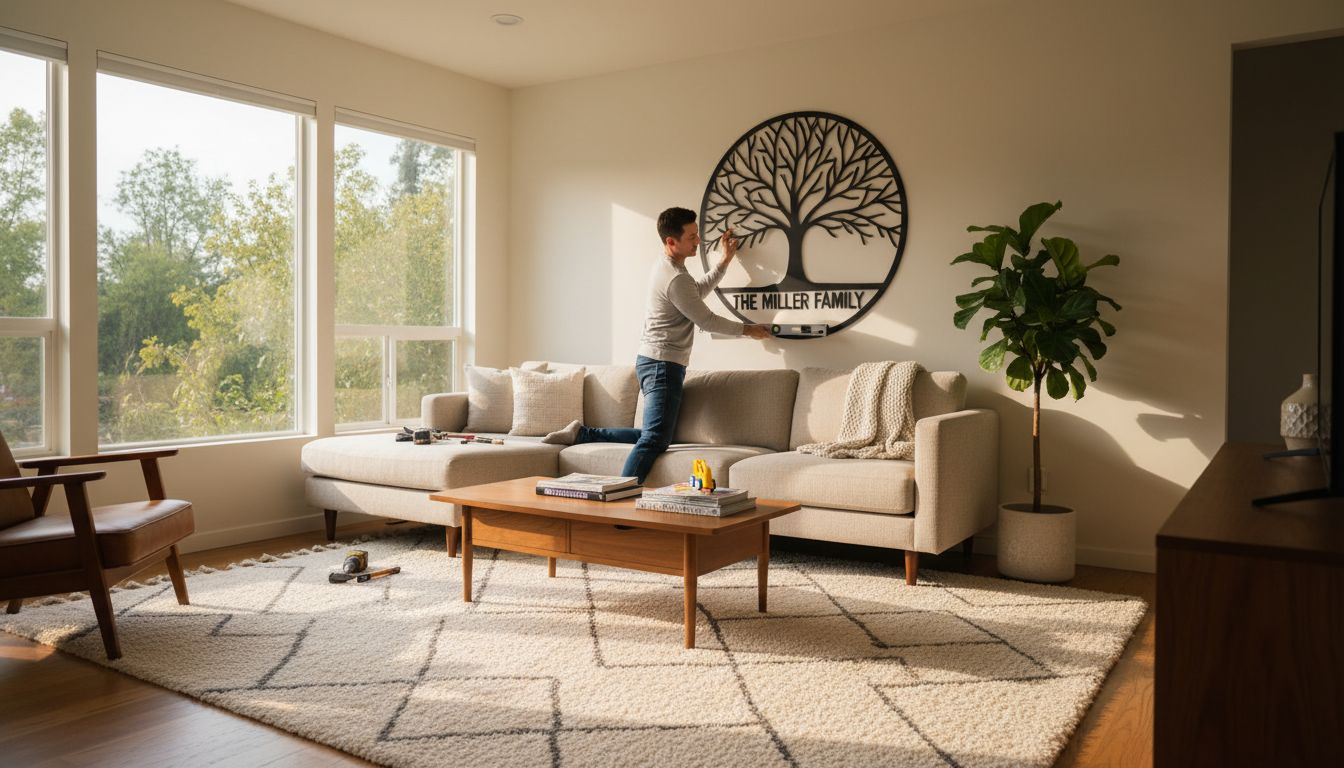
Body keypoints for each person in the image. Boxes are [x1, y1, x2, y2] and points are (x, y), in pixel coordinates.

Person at [542, 207, 772, 482]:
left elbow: (694, 293)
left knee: (659, 435)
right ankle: (620, 499)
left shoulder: (670, 269)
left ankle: (582, 434)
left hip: (657, 362)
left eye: (696, 234)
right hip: (662, 365)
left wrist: (724, 263)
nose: (697, 241)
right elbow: (706, 319)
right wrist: (749, 329)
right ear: (670, 241)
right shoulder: (674, 277)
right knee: (653, 440)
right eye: (691, 237)